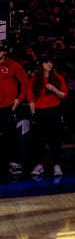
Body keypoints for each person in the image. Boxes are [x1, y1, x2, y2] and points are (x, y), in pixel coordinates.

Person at [28, 55, 68, 177]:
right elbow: (30, 96)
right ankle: (39, 165)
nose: (49, 65)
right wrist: (33, 112)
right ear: (41, 65)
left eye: (50, 62)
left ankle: (57, 165)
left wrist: (54, 89)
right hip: (40, 112)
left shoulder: (58, 78)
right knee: (39, 140)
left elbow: (64, 95)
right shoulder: (35, 79)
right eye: (46, 63)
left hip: (54, 111)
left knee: (55, 140)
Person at [0, 41, 29, 177]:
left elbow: (25, 83)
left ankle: (12, 163)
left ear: (4, 51)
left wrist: (18, 100)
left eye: (0, 50)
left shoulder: (13, 65)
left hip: (8, 107)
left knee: (10, 137)